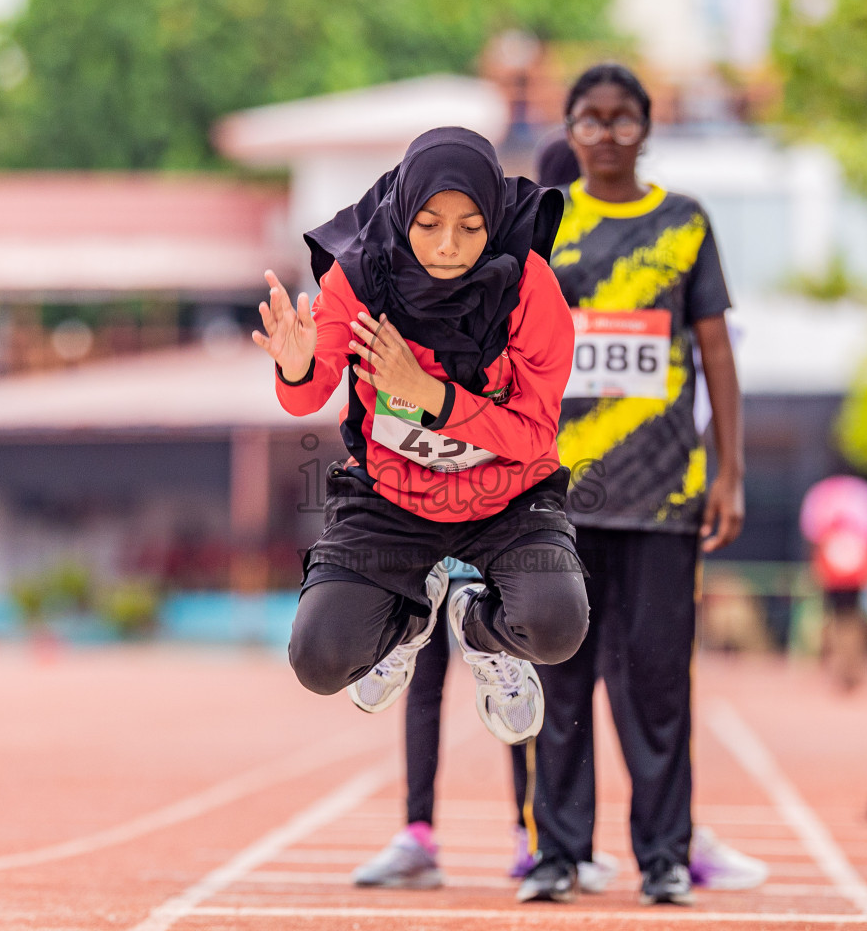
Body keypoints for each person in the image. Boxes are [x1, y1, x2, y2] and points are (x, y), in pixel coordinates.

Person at [518, 64, 767, 907]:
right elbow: (514, 351)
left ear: (648, 128)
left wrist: (730, 472)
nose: (608, 135)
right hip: (561, 499)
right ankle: (557, 853)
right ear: (570, 129)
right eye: (590, 120)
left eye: (624, 121)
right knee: (559, 679)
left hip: (665, 497)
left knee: (659, 681)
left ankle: (664, 856)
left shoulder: (684, 224)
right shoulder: (546, 225)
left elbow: (718, 355)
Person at [257, 127, 589, 749]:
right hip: (393, 497)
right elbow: (305, 396)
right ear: (404, 211)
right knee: (320, 660)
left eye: (470, 227)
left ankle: (482, 632)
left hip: (507, 498)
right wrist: (297, 365)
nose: (448, 245)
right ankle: (408, 619)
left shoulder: (530, 288)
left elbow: (535, 431)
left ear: (494, 218)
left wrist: (430, 398)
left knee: (555, 627)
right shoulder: (358, 279)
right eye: (430, 223)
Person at [348, 136, 617, 894]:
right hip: (424, 493)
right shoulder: (447, 273)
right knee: (424, 656)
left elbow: (538, 412)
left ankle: (530, 833)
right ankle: (420, 831)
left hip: (524, 493)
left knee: (517, 654)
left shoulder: (554, 288)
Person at [799, 473, 867, 691]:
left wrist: (815, 564)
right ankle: (849, 667)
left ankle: (842, 667)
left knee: (837, 615)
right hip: (858, 563)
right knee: (853, 615)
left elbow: (812, 534)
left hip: (833, 562)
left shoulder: (820, 492)